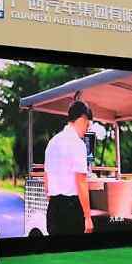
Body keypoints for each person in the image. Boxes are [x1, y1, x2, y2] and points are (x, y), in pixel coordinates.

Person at [43, 101, 94, 236]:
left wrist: (55, 201)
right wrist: (87, 217)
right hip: (71, 210)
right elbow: (81, 182)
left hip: (53, 208)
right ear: (82, 119)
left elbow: (46, 179)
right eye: (88, 125)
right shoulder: (77, 144)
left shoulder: (52, 142)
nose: (87, 129)